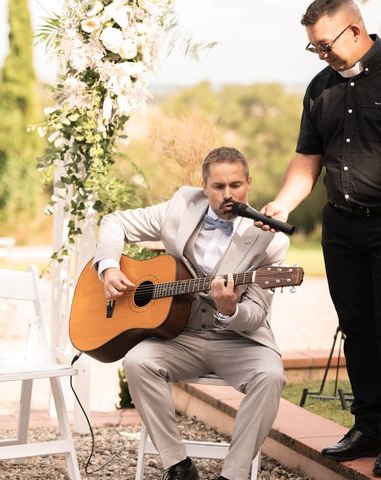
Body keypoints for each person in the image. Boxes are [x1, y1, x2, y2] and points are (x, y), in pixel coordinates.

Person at [95, 147, 289, 480]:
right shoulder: (181, 207)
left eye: (236, 185)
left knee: (270, 375)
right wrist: (110, 267)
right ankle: (178, 465)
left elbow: (256, 314)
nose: (228, 194)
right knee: (137, 362)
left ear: (249, 184)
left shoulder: (269, 239)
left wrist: (231, 309)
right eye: (218, 186)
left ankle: (235, 473)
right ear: (204, 186)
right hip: (180, 335)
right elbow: (114, 222)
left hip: (238, 340)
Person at [258, 0, 381, 475]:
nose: (319, 54)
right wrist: (283, 203)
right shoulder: (320, 88)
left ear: (355, 31)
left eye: (324, 45)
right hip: (342, 227)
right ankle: (370, 427)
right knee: (359, 330)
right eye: (312, 47)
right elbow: (308, 158)